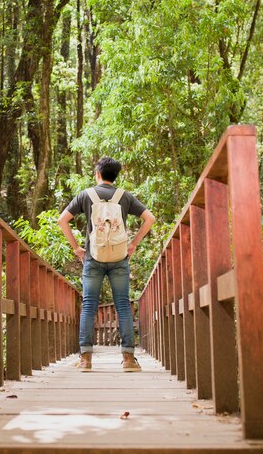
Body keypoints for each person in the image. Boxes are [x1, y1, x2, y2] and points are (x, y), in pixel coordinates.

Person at [57, 157, 155, 372]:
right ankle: (129, 359)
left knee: (89, 305)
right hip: (120, 258)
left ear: (97, 174)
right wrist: (133, 244)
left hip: (93, 258)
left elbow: (62, 220)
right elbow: (150, 218)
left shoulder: (86, 195)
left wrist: (76, 248)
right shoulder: (124, 196)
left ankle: (85, 360)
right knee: (123, 305)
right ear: (115, 175)